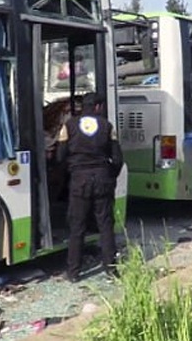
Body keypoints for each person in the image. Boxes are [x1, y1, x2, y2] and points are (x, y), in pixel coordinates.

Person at [56, 93, 124, 282]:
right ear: (97, 107)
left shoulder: (68, 126)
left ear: (82, 107)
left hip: (79, 181)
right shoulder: (107, 126)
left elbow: (60, 157)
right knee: (105, 225)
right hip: (102, 180)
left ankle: (73, 273)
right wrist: (110, 176)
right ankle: (111, 269)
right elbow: (118, 159)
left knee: (77, 227)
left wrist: (72, 171)